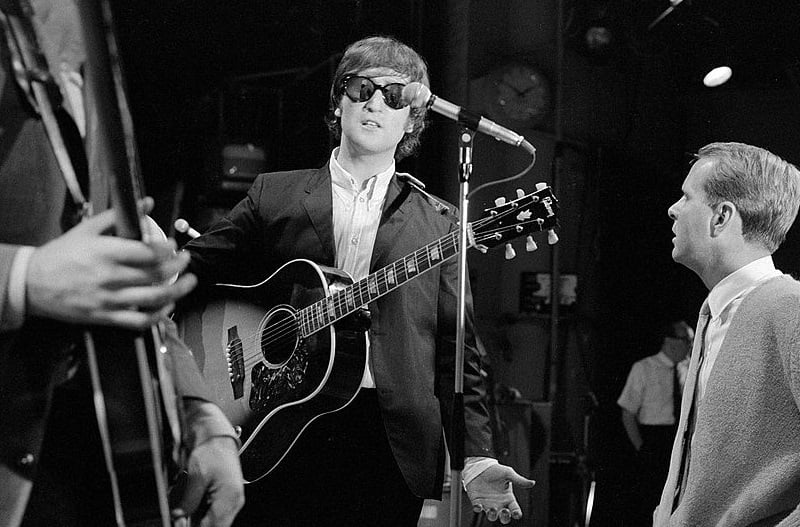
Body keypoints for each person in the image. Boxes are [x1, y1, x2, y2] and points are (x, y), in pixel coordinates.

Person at [181, 35, 534, 526]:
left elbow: (461, 352)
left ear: (413, 117)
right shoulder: (274, 194)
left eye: (394, 95)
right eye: (360, 87)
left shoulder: (440, 222)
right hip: (279, 421)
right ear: (337, 101)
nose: (374, 102)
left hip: (389, 440)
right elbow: (194, 270)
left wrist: (475, 459)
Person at [0, 1, 244, 525]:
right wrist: (23, 278)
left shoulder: (90, 81)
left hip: (92, 465)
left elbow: (133, 271)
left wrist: (198, 412)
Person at [654, 142, 800, 525]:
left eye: (687, 197)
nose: (674, 208)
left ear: (721, 217)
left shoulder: (790, 307)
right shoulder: (714, 313)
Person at [617, 319, 693, 525]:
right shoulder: (644, 368)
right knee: (650, 500)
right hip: (653, 440)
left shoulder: (690, 369)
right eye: (687, 340)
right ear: (670, 341)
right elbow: (627, 412)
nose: (691, 346)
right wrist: (642, 449)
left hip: (682, 438)